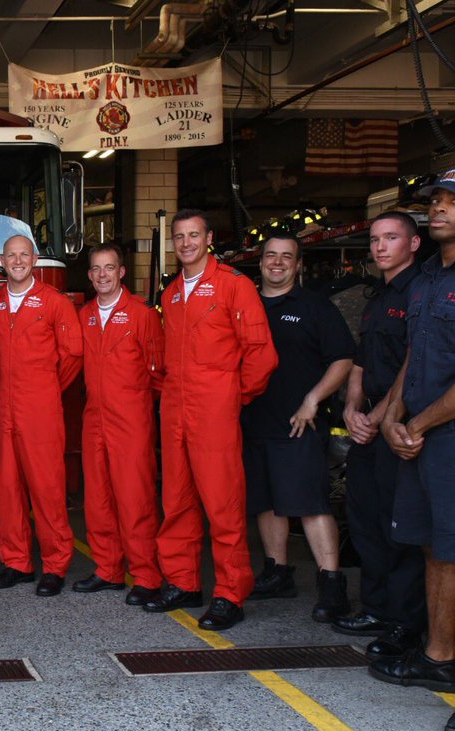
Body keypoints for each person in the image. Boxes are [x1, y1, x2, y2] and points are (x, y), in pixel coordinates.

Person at [144, 209, 278, 631]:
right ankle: (184, 581)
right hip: (177, 410)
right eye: (179, 237)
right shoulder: (171, 294)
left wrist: (229, 396)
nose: (185, 243)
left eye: (193, 235)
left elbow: (261, 354)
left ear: (209, 238)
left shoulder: (233, 286)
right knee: (177, 501)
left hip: (214, 412)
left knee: (223, 505)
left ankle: (230, 593)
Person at [370, 173, 455, 731]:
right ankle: (439, 654)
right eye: (437, 201)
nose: (439, 209)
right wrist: (395, 416)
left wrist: (415, 424)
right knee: (435, 550)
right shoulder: (426, 280)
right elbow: (414, 358)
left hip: (445, 437)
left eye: (450, 203)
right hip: (424, 438)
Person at [241, 234, 355, 623]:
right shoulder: (245, 304)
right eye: (270, 256)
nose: (277, 263)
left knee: (309, 503)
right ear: (260, 263)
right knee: (265, 501)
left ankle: (331, 583)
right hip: (253, 420)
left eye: (286, 257)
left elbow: (342, 359)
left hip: (298, 423)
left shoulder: (314, 307)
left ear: (298, 265)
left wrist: (313, 400)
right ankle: (277, 573)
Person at [336, 211, 427, 658]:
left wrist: (382, 415)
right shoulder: (377, 296)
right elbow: (360, 359)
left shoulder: (420, 292)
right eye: (374, 239)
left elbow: (413, 361)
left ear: (413, 244)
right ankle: (374, 607)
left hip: (397, 426)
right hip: (367, 424)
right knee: (365, 519)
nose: (380, 247)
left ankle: (405, 622)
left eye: (391, 238)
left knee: (399, 526)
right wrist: (352, 407)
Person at [0, 235, 82, 596]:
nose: (18, 261)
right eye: (11, 255)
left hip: (40, 410)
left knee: (47, 488)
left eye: (24, 255)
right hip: (2, 407)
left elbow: (72, 356)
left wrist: (46, 389)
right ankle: (16, 562)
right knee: (7, 487)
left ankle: (55, 565)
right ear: (2, 260)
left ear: (34, 259)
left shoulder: (54, 303)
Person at [75, 243, 164, 605]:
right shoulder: (85, 315)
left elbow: (159, 372)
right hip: (94, 417)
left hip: (131, 420)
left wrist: (141, 411)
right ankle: (108, 569)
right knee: (97, 498)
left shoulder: (142, 314)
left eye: (109, 268)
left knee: (135, 499)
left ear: (122, 272)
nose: (102, 275)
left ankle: (146, 575)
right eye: (96, 269)